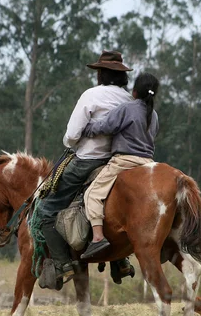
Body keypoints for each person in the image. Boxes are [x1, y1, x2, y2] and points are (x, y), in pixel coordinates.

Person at [36, 51, 134, 290]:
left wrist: (70, 144)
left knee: (45, 209)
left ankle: (62, 263)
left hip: (87, 161)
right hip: (119, 161)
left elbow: (71, 135)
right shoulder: (130, 100)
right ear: (121, 76)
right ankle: (120, 259)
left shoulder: (91, 95)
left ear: (101, 73)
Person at [80, 72, 160, 259]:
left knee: (92, 194)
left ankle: (98, 237)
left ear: (134, 91)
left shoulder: (127, 108)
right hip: (147, 163)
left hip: (124, 162)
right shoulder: (154, 115)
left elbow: (106, 127)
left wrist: (87, 129)